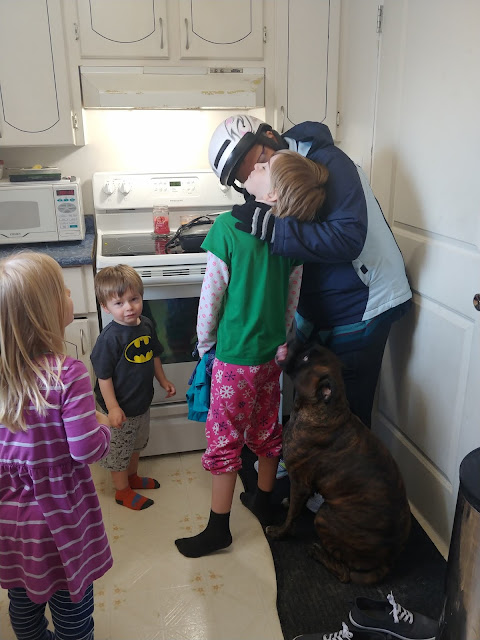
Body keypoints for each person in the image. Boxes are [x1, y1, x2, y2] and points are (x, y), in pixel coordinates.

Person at [208, 115, 413, 428]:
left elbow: (348, 238)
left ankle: (340, 459)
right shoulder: (267, 182)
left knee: (346, 413)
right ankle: (300, 450)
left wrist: (275, 231)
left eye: (260, 160)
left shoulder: (331, 162)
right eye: (244, 174)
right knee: (310, 398)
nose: (255, 173)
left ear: (270, 136)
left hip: (365, 298)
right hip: (319, 304)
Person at [175, 150, 329, 558]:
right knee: (266, 429)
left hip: (233, 358)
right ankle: (263, 501)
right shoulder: (291, 237)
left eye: (264, 167)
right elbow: (292, 299)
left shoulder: (227, 228)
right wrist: (281, 338)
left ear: (273, 194)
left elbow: (211, 297)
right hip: (271, 356)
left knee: (224, 441)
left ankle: (218, 529)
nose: (256, 166)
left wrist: (205, 344)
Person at [0, 252, 112, 640]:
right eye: (63, 290)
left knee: (22, 600)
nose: (70, 293)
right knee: (72, 604)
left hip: (10, 523)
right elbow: (85, 449)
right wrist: (103, 426)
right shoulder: (68, 374)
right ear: (45, 312)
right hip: (60, 518)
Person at [90, 264, 176, 511]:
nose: (128, 307)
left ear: (141, 297)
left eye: (134, 299)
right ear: (106, 307)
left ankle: (132, 477)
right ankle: (122, 491)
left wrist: (163, 380)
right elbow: (103, 377)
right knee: (119, 451)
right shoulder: (109, 338)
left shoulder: (146, 324)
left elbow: (154, 355)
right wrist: (113, 408)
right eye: (119, 303)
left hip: (141, 402)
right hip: (119, 407)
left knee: (137, 444)